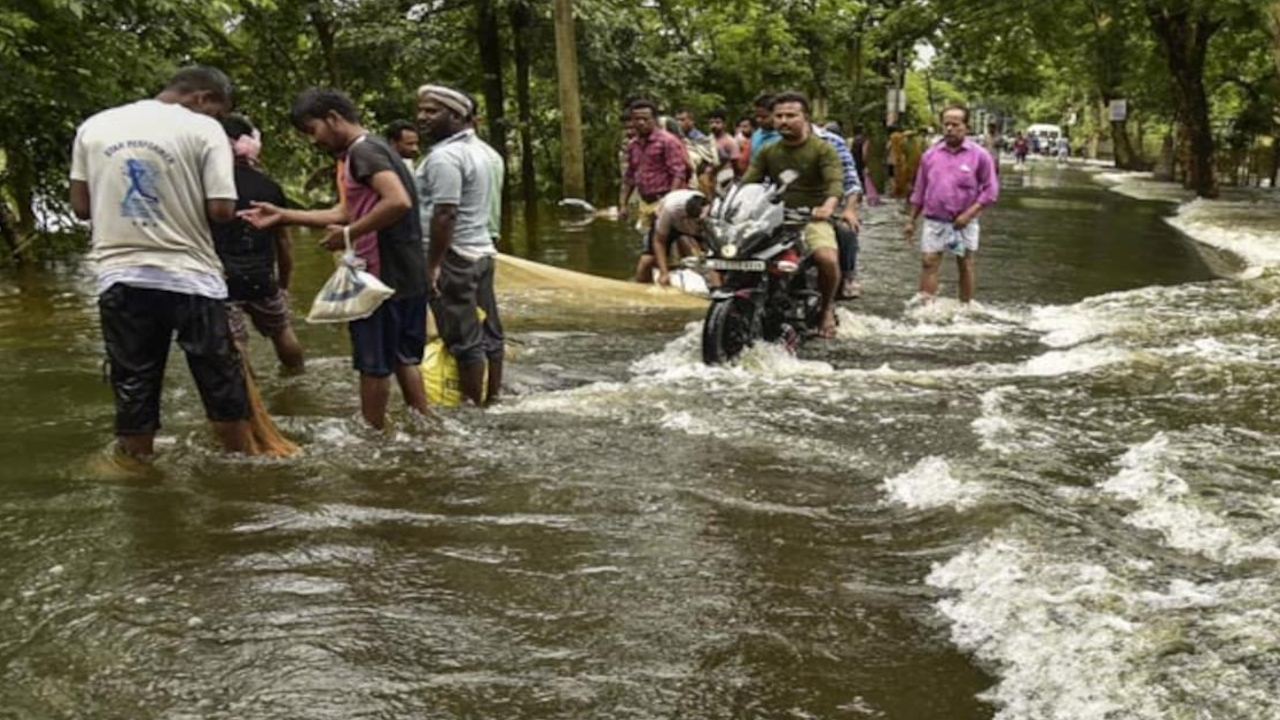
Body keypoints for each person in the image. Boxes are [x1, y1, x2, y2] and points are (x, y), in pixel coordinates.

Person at [69, 66, 252, 457]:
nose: (217, 120)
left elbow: (81, 207)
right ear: (203, 98)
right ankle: (243, 471)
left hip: (120, 274)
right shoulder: (205, 130)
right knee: (219, 381)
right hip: (191, 277)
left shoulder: (94, 126)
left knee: (134, 383)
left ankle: (139, 475)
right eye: (218, 111)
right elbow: (221, 209)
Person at [241, 87, 429, 429]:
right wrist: (284, 215)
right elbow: (347, 210)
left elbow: (397, 201)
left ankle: (371, 438)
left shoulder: (363, 153)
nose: (313, 141)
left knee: (373, 362)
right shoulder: (376, 149)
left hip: (378, 277)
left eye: (312, 130)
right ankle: (426, 428)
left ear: (333, 118)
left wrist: (348, 235)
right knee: (404, 358)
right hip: (407, 273)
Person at [416, 84, 505, 407]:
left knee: (462, 337)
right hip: (481, 252)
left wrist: (432, 265)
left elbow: (445, 212)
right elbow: (492, 211)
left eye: (431, 111)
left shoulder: (445, 157)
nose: (421, 117)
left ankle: (472, 412)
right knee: (490, 334)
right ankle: (491, 400)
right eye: (421, 110)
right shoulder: (489, 154)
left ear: (456, 115)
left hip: (453, 257)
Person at [742, 91, 845, 339]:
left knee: (826, 259)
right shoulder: (768, 151)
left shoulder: (823, 149)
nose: (784, 121)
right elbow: (749, 182)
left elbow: (835, 183)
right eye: (779, 116)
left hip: (812, 218)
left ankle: (827, 308)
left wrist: (828, 206)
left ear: (805, 117)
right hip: (774, 217)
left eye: (791, 115)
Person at [210, 114, 305, 373]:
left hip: (221, 278)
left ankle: (250, 400)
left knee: (235, 343)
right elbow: (284, 244)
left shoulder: (208, 185)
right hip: (262, 277)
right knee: (281, 328)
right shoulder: (269, 187)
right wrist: (283, 285)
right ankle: (297, 377)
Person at [903, 104, 999, 305]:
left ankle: (965, 307)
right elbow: (920, 190)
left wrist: (969, 214)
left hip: (964, 221)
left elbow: (990, 191)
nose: (949, 129)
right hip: (934, 220)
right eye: (946, 124)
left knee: (965, 264)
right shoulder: (930, 155)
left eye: (955, 124)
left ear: (967, 127)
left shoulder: (979, 155)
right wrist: (911, 220)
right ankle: (926, 309)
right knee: (928, 262)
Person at [618, 100, 688, 230]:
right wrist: (623, 204)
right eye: (637, 119)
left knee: (668, 239)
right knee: (649, 241)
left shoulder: (667, 141)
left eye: (645, 119)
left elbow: (678, 173)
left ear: (654, 119)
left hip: (666, 200)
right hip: (645, 203)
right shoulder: (633, 145)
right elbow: (629, 177)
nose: (641, 123)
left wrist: (667, 204)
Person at [814, 122, 864, 300]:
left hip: (826, 208)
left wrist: (850, 209)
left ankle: (848, 276)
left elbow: (850, 181)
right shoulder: (772, 144)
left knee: (845, 230)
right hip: (784, 210)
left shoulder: (832, 142)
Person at [633, 189, 710, 286]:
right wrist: (664, 273)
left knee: (700, 254)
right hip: (668, 221)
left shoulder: (710, 207)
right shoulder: (670, 210)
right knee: (648, 260)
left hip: (696, 224)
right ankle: (640, 286)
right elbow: (659, 242)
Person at [707, 108, 741, 179]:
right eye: (711, 123)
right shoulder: (708, 139)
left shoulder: (731, 141)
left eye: (717, 122)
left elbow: (736, 164)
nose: (714, 125)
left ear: (724, 124)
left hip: (726, 176)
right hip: (710, 176)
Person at [748, 93, 782, 160]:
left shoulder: (784, 137)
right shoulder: (756, 134)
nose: (758, 120)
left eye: (764, 117)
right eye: (757, 116)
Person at [886, 125, 906, 197]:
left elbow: (887, 148)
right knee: (899, 175)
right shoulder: (902, 138)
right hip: (900, 159)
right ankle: (899, 192)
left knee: (891, 176)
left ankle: (893, 192)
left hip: (891, 159)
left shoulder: (891, 139)